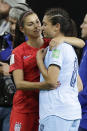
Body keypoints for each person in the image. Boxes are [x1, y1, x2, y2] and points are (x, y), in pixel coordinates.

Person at [9, 9, 85, 131]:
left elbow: (81, 43)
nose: (37, 26)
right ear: (22, 29)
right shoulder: (17, 52)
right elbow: (18, 83)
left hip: (49, 108)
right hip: (25, 108)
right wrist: (45, 85)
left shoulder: (52, 44)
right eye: (30, 24)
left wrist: (63, 39)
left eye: (38, 22)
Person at [36, 8, 83, 131]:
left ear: (57, 26)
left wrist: (39, 61)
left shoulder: (57, 48)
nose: (41, 27)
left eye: (45, 24)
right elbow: (79, 86)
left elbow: (51, 82)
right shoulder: (69, 48)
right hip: (71, 112)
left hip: (56, 113)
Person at [0, 4, 31, 131]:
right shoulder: (2, 40)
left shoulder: (31, 46)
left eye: (16, 23)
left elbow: (31, 78)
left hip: (16, 106)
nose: (13, 27)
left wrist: (9, 73)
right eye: (11, 22)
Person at [78, 14, 87, 131]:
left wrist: (73, 101)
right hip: (80, 113)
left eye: (85, 23)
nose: (81, 26)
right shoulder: (85, 47)